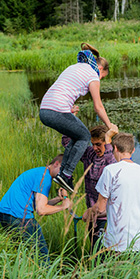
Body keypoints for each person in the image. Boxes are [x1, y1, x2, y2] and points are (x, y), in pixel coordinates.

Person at [39, 42, 118, 193]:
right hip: (56, 110)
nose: (100, 79)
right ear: (100, 68)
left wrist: (68, 110)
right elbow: (98, 106)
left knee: (76, 135)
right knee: (84, 136)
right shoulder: (92, 74)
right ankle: (66, 174)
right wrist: (110, 125)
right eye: (102, 76)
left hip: (45, 110)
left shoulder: (74, 67)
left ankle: (63, 174)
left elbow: (64, 89)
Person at [83, 133, 140, 254]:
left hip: (118, 240)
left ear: (115, 148)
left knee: (107, 268)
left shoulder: (110, 170)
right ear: (133, 150)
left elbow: (100, 207)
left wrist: (89, 212)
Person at [0, 154, 71, 264]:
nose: (64, 175)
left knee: (21, 253)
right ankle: (46, 276)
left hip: (5, 214)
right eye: (63, 170)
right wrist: (63, 206)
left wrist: (58, 199)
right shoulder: (44, 178)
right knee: (41, 256)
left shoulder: (40, 172)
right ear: (56, 164)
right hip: (18, 216)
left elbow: (37, 205)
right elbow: (41, 210)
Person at [62, 106, 118, 252]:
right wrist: (71, 118)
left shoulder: (112, 160)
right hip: (91, 212)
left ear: (107, 142)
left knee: (105, 250)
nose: (94, 148)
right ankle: (96, 273)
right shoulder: (89, 154)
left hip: (107, 215)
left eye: (98, 144)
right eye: (92, 144)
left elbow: (108, 155)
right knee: (94, 248)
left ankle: (105, 273)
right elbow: (68, 142)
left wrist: (108, 140)